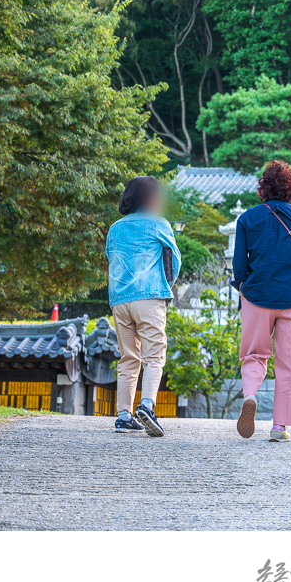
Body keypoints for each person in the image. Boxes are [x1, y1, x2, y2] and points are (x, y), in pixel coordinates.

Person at [233, 161, 291, 443]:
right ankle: (278, 426)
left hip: (257, 296)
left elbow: (238, 267)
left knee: (254, 354)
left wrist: (245, 285)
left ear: (263, 188)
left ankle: (250, 396)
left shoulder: (247, 219)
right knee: (289, 362)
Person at [106, 176, 181, 437]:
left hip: (119, 299)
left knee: (128, 357)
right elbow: (174, 261)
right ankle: (147, 405)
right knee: (154, 354)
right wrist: (165, 286)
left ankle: (124, 415)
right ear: (152, 197)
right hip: (149, 295)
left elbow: (111, 258)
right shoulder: (158, 224)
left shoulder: (115, 228)